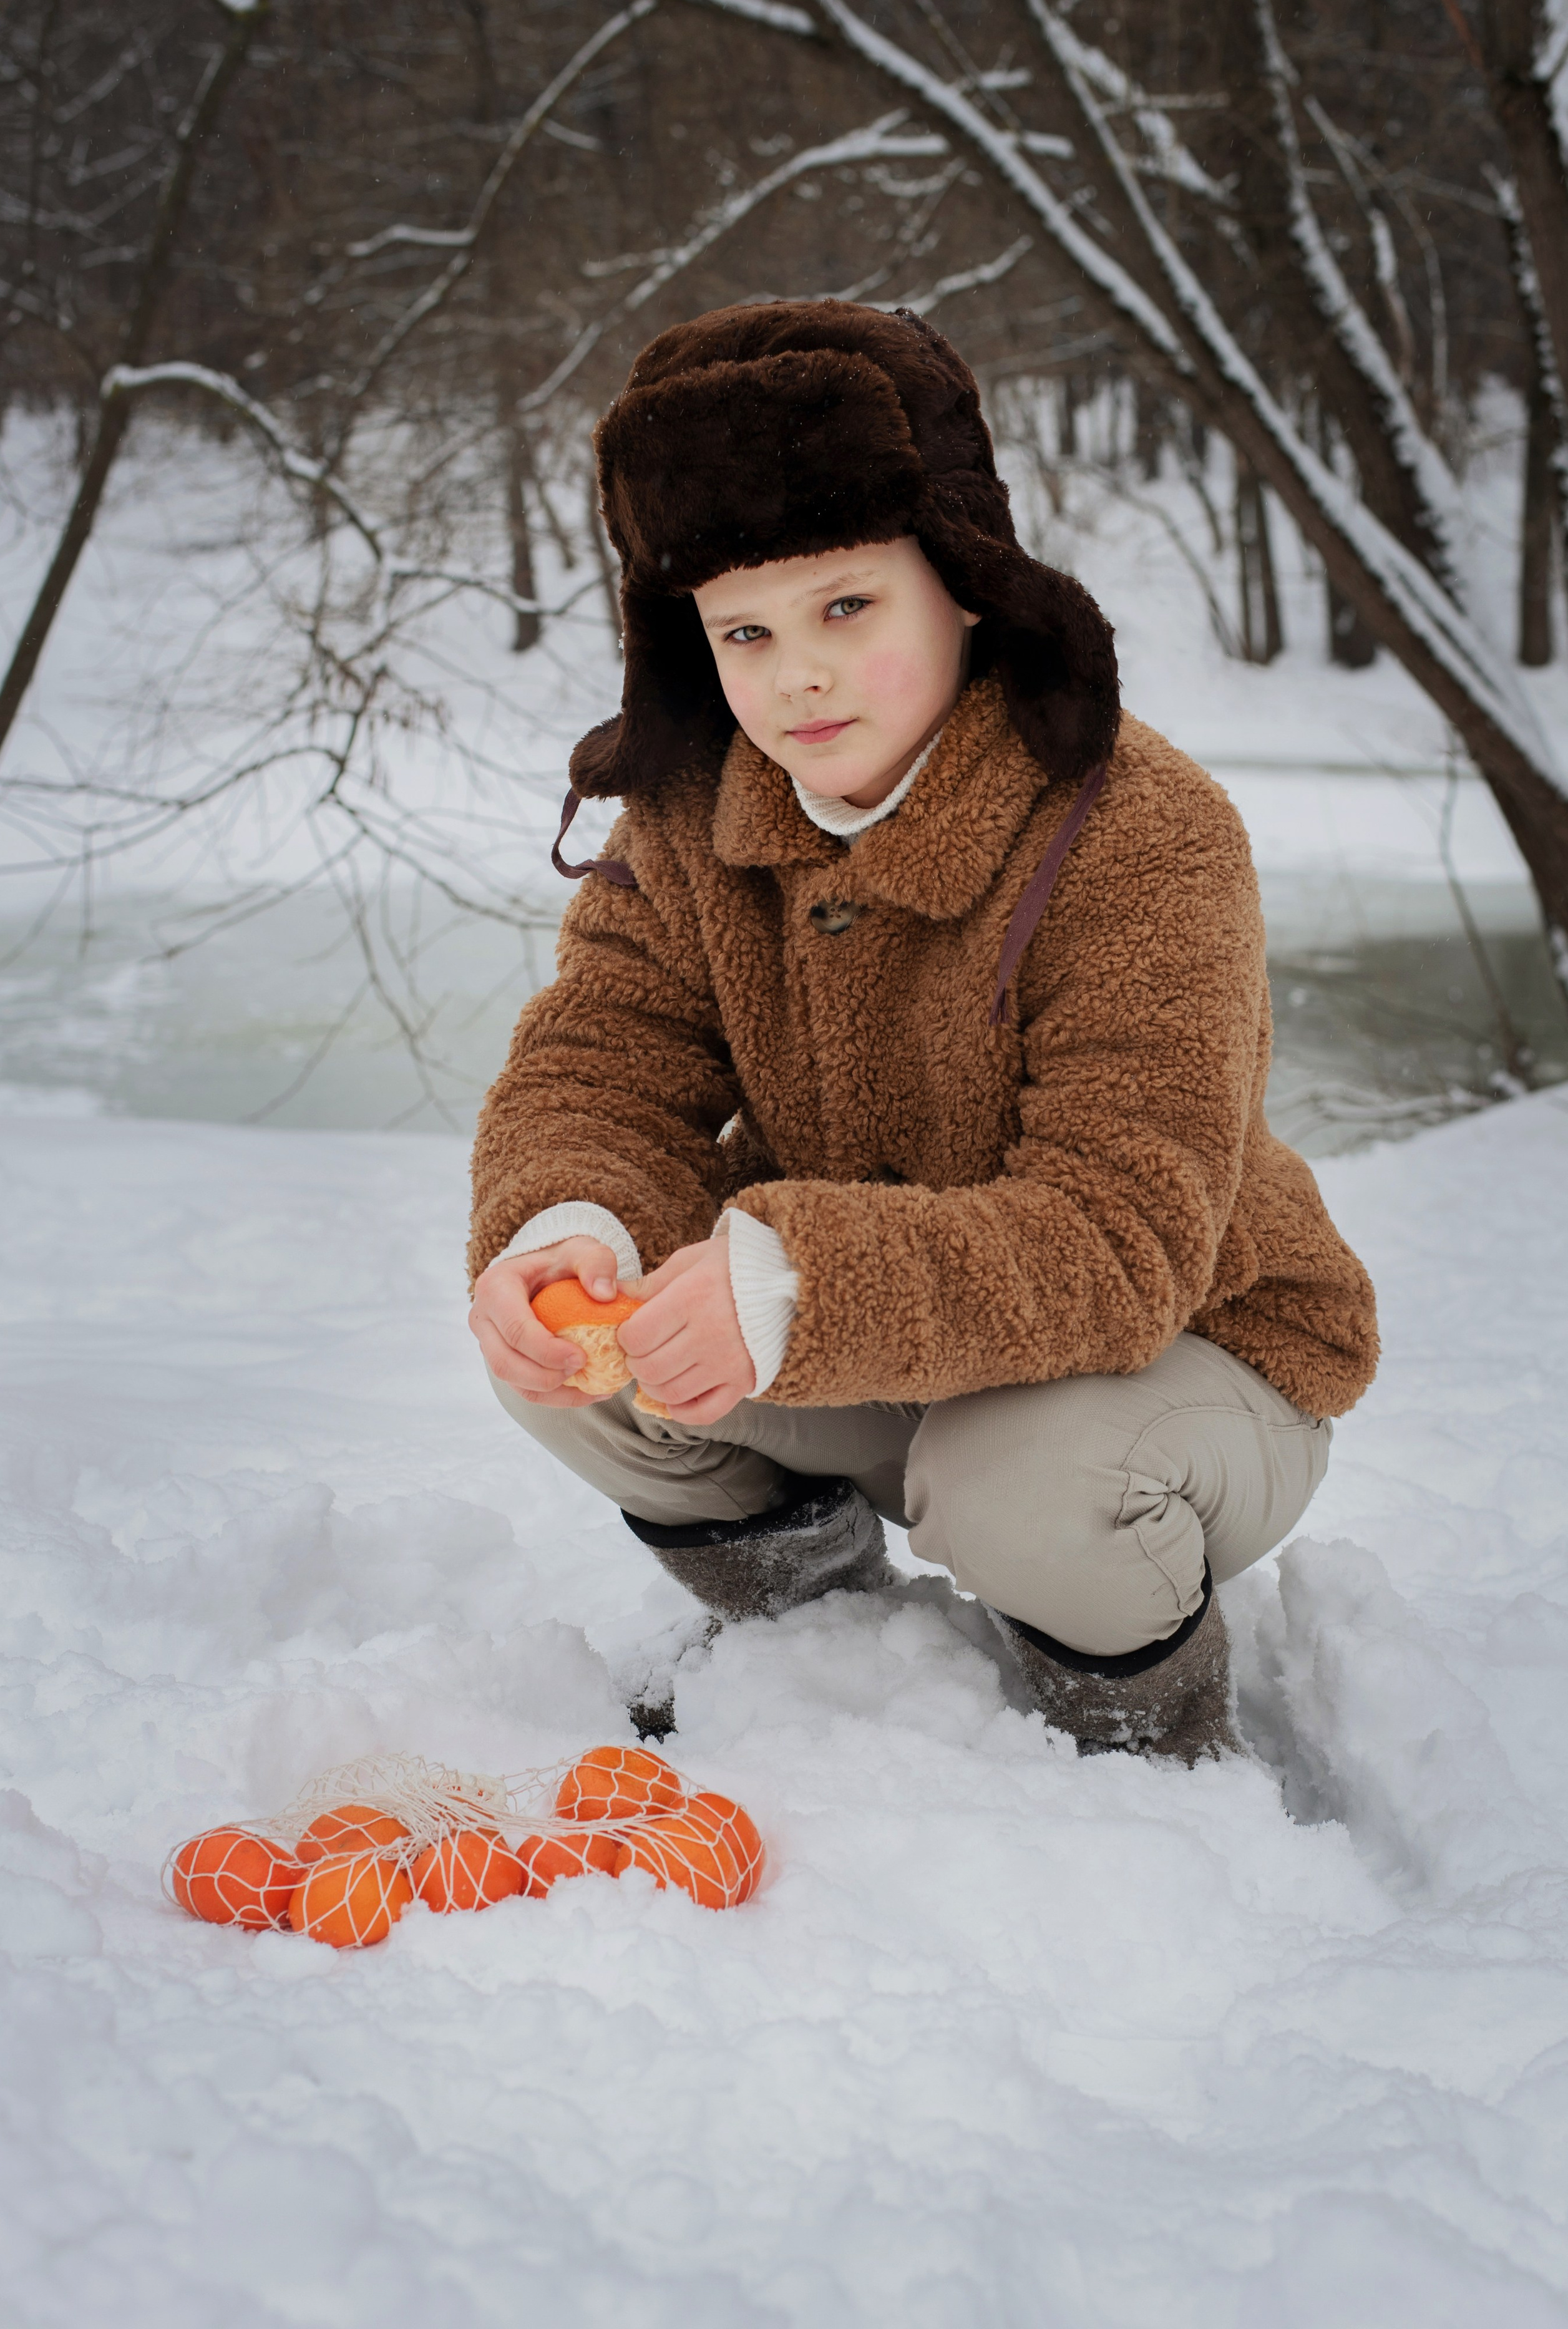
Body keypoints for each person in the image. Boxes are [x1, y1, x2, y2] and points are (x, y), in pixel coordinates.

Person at [465, 301, 1378, 1764]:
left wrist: (788, 1285)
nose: (796, 676)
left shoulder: (1139, 830)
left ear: (958, 583)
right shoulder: (693, 816)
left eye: (845, 609)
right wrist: (570, 1222)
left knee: (1014, 1471)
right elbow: (597, 1061)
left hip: (1179, 1359)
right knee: (595, 1357)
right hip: (882, 1351)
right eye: (742, 632)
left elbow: (1121, 1236)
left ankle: (1137, 1737)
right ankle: (818, 1642)